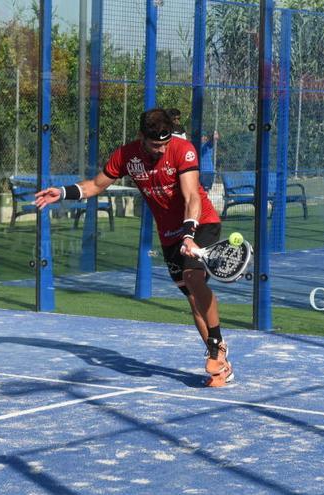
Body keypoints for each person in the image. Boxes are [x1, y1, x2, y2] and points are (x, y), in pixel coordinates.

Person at [34, 108, 234, 387]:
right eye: (155, 145)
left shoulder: (183, 150)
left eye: (165, 144)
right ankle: (220, 365)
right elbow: (94, 185)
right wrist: (63, 192)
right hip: (169, 235)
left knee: (193, 277)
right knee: (192, 298)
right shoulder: (126, 156)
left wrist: (189, 235)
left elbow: (192, 197)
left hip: (200, 223)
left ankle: (216, 346)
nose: (161, 149)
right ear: (142, 137)